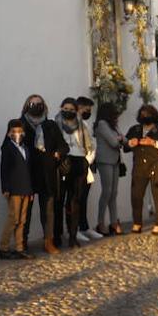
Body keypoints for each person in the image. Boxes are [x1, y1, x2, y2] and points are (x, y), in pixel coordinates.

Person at [19, 94, 68, 254]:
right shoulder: (20, 125)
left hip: (47, 174)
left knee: (48, 211)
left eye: (39, 103)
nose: (36, 106)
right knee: (24, 211)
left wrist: (57, 154)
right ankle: (22, 243)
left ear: (44, 106)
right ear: (27, 106)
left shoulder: (51, 125)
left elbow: (63, 146)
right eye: (32, 103)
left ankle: (49, 241)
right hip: (28, 174)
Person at [123, 103, 158, 235]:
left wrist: (153, 143)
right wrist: (130, 143)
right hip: (139, 167)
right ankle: (137, 223)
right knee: (136, 196)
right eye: (142, 114)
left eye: (148, 114)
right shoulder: (135, 129)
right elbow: (125, 146)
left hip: (156, 165)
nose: (145, 116)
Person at [55, 97, 95, 248]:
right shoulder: (55, 123)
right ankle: (57, 235)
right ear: (61, 108)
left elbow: (90, 145)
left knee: (75, 201)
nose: (68, 112)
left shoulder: (82, 125)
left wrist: (87, 161)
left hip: (79, 161)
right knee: (59, 200)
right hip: (63, 162)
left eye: (72, 110)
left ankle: (73, 235)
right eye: (66, 109)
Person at [0, 119, 34, 260]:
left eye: (19, 131)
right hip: (13, 189)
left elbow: (29, 170)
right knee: (13, 218)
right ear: (8, 133)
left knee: (22, 220)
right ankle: (3, 247)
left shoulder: (25, 148)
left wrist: (31, 190)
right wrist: (5, 188)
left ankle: (20, 248)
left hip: (26, 188)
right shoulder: (7, 148)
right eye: (13, 131)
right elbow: (4, 169)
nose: (17, 133)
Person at [92, 103, 124, 235]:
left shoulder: (113, 125)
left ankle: (113, 222)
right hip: (104, 160)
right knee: (107, 191)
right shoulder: (102, 124)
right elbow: (114, 142)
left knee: (114, 192)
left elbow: (123, 138)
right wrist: (120, 139)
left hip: (115, 160)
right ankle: (100, 222)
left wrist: (123, 139)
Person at [74, 96, 99, 240]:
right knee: (75, 199)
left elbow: (92, 143)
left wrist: (90, 158)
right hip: (78, 164)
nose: (88, 111)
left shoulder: (85, 124)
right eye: (86, 109)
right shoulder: (73, 125)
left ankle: (84, 226)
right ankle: (74, 228)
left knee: (84, 198)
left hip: (87, 164)